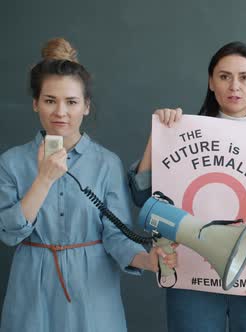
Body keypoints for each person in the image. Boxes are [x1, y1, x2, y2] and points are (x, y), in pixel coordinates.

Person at [0, 38, 176, 332]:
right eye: (49, 100)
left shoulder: (106, 163)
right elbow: (9, 233)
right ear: (35, 104)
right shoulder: (11, 162)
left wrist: (149, 260)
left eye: (71, 102)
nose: (60, 112)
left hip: (92, 291)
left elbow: (116, 236)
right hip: (31, 289)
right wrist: (43, 178)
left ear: (86, 107)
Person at [128, 41, 246, 331]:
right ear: (211, 82)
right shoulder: (179, 131)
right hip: (191, 278)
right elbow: (142, 197)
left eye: (244, 77)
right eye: (224, 76)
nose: (235, 86)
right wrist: (157, 136)